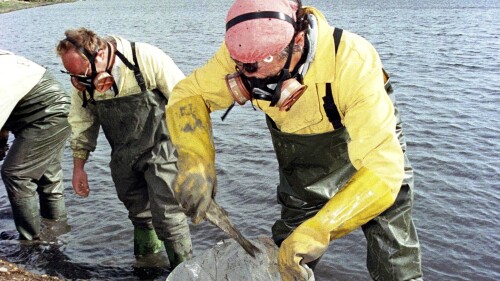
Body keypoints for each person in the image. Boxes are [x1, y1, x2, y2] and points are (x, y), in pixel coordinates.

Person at [165, 0, 423, 280]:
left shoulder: (352, 59)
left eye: (256, 68)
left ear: (297, 41)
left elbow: (384, 170)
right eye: (240, 68)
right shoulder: (241, 57)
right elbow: (188, 96)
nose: (247, 78)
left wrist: (321, 229)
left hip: (373, 152)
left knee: (392, 239)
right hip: (304, 159)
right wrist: (195, 161)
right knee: (286, 252)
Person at [56, 28, 192, 268]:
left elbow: (186, 104)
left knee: (168, 216)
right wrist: (79, 167)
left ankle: (184, 271)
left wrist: (196, 156)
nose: (78, 81)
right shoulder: (83, 84)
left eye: (81, 73)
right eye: (70, 75)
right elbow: (81, 124)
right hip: (124, 154)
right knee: (138, 213)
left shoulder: (144, 57)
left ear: (98, 55)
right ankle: (147, 266)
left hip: (163, 147)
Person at [0, 49, 71, 241]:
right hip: (58, 107)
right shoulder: (6, 60)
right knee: (49, 176)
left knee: (16, 174)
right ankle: (57, 234)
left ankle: (31, 241)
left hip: (48, 113)